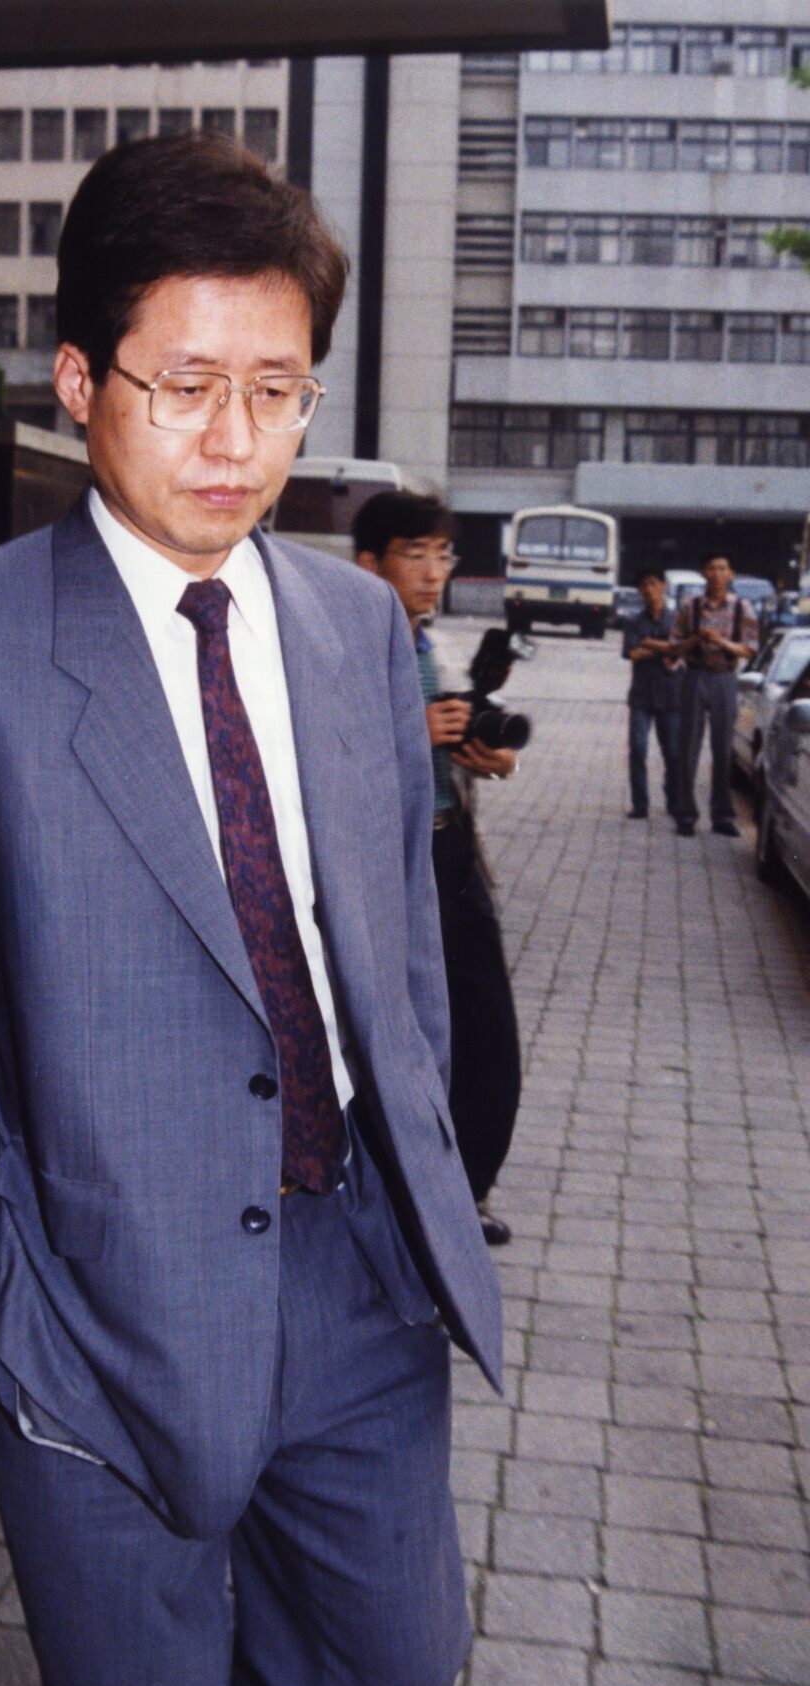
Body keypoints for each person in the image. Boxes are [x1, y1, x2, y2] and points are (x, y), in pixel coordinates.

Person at [0, 132, 501, 1686]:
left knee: (392, 1677)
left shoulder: (356, 624)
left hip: (359, 1283)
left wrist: (419, 1194)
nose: (234, 438)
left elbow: (403, 952)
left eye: (277, 388)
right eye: (186, 383)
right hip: (97, 1305)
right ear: (80, 379)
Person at [353, 491, 521, 1249]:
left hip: (450, 854)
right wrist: (408, 731)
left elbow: (463, 747)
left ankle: (465, 1189)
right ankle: (396, 1200)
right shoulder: (340, 648)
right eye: (415, 554)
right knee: (403, 1036)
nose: (433, 571)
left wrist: (492, 756)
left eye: (443, 554)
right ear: (370, 563)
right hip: (381, 863)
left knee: (488, 1033)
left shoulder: (433, 648)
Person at [670, 550, 758, 836]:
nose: (717, 574)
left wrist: (722, 643)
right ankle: (685, 815)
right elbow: (674, 647)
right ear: (703, 572)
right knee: (688, 747)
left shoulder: (742, 607)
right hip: (694, 676)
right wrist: (695, 639)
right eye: (711, 568)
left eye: (722, 568)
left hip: (725, 678)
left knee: (723, 750)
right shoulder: (690, 607)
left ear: (731, 574)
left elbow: (750, 648)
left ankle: (722, 817)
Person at [621, 563, 682, 821]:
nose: (649, 589)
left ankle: (674, 800)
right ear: (638, 590)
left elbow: (682, 650)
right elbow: (631, 653)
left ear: (663, 586)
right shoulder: (634, 621)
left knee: (673, 753)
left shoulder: (678, 620)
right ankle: (640, 804)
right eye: (644, 585)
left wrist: (649, 644)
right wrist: (664, 647)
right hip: (641, 697)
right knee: (637, 749)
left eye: (653, 583)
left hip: (672, 696)